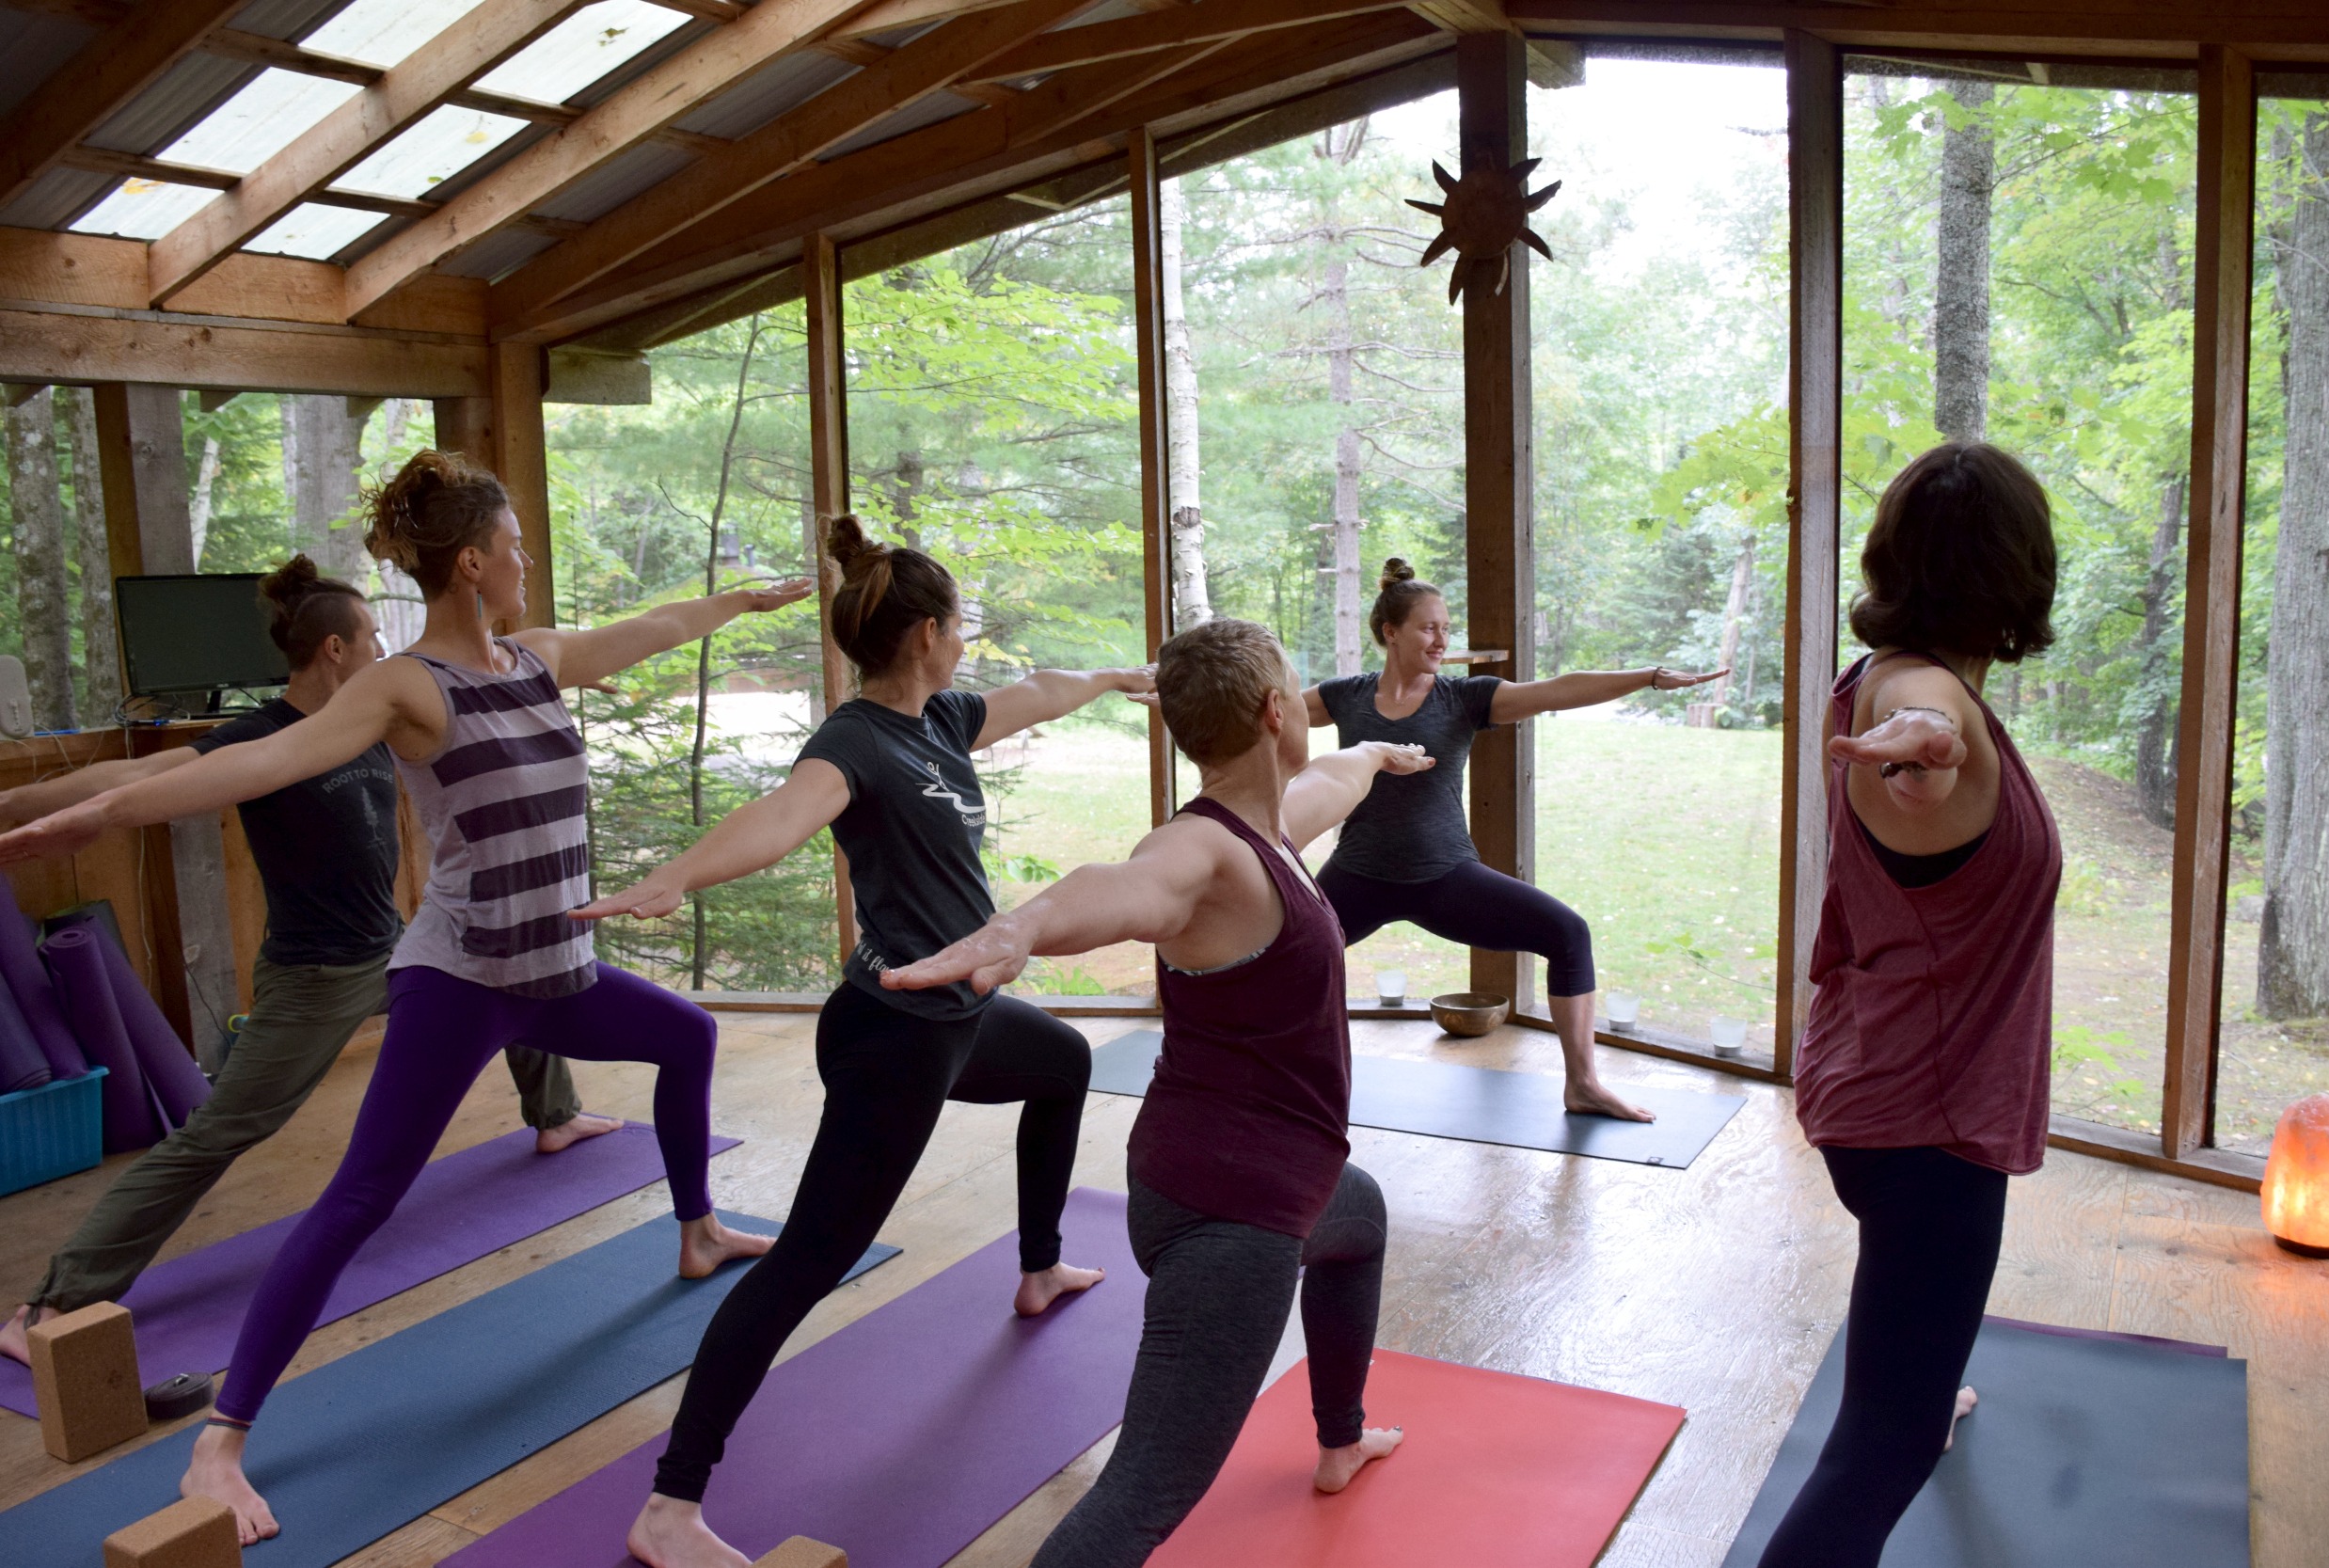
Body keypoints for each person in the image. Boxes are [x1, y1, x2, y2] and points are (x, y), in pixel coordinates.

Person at [0, 451, 803, 1544]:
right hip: (464, 982)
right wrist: (105, 814)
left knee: (688, 1033)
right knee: (358, 1198)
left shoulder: (535, 657)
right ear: (472, 563)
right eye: (516, 546)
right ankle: (220, 1439)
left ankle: (697, 1226)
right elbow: (260, 763)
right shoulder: (407, 686)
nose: (528, 561)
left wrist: (744, 600)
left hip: (555, 971)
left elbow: (656, 625)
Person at [579, 514, 1151, 1568]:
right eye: (961, 625)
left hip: (957, 1015)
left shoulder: (939, 718)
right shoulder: (855, 739)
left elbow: (1037, 693)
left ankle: (1037, 1267)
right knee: (806, 1261)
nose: (969, 642)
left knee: (1063, 1061)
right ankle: (668, 1506)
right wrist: (682, 875)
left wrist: (1120, 675)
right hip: (892, 1032)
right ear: (927, 631)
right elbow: (786, 813)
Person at [887, 617, 1433, 1568]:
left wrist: (1374, 752)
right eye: (1295, 685)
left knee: (1361, 1218)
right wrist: (1025, 924)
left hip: (1247, 1169)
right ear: (1273, 709)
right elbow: (1125, 885)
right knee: (1144, 1493)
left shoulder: (1257, 829)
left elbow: (1322, 783)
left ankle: (1338, 1439)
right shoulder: (1203, 854)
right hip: (1234, 1212)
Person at [0, 557, 616, 1370]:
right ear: (334, 648)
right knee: (221, 1132)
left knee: (506, 965)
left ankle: (555, 1114)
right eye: (371, 637)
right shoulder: (259, 738)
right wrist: (19, 804)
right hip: (317, 974)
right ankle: (55, 1297)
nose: (384, 649)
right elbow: (141, 773)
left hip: (398, 943)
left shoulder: (380, 718)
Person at [1757, 442, 2061, 1568]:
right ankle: (1914, 1387)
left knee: (1910, 1360)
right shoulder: (1919, 701)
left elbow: (1914, 701)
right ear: (2020, 572)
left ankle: (1925, 1370)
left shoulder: (1878, 675)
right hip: (1924, 1124)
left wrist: (1920, 732)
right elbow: (1921, 714)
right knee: (1880, 1446)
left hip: (1876, 1081)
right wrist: (1921, 746)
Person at [1307, 557, 1725, 1121]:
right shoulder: (1346, 696)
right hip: (1357, 875)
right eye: (1429, 627)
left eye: (1446, 629)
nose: (1441, 638)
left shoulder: (1465, 697)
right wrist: (1171, 686)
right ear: (1391, 632)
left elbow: (1557, 690)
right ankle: (1281, 1084)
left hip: (1444, 878)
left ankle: (1583, 1086)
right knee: (1283, 955)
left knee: (1568, 934)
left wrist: (1647, 676)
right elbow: (1262, 707)